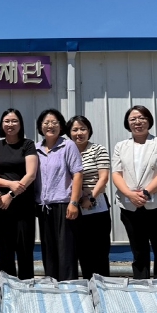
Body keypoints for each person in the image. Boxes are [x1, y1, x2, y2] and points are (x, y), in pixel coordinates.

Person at [112, 105, 157, 279]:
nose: (138, 122)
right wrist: (130, 194)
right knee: (138, 252)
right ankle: (141, 288)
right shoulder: (121, 146)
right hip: (130, 205)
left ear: (149, 121)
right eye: (133, 119)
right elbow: (116, 174)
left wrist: (146, 192)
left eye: (142, 118)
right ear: (127, 123)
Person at [0, 108, 37, 280]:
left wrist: (11, 194)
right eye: (7, 121)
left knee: (25, 250)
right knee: (4, 250)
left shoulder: (28, 144)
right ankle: (6, 286)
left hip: (24, 204)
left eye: (14, 121)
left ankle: (25, 287)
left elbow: (31, 175)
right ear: (2, 124)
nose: (10, 124)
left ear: (20, 124)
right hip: (1, 204)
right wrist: (8, 185)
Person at [34, 109, 83, 281]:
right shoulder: (36, 148)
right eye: (46, 123)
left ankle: (68, 287)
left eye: (54, 123)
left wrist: (74, 202)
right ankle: (51, 284)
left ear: (61, 126)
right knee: (48, 250)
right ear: (40, 126)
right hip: (44, 207)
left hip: (64, 204)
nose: (50, 126)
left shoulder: (68, 145)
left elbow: (77, 174)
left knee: (66, 250)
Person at [66, 115, 112, 279]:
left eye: (83, 129)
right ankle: (88, 284)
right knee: (82, 251)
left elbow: (103, 177)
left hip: (96, 204)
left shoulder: (98, 149)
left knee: (100, 250)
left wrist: (90, 198)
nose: (79, 133)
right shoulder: (66, 151)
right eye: (75, 130)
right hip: (74, 205)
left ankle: (102, 286)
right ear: (69, 133)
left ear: (89, 131)